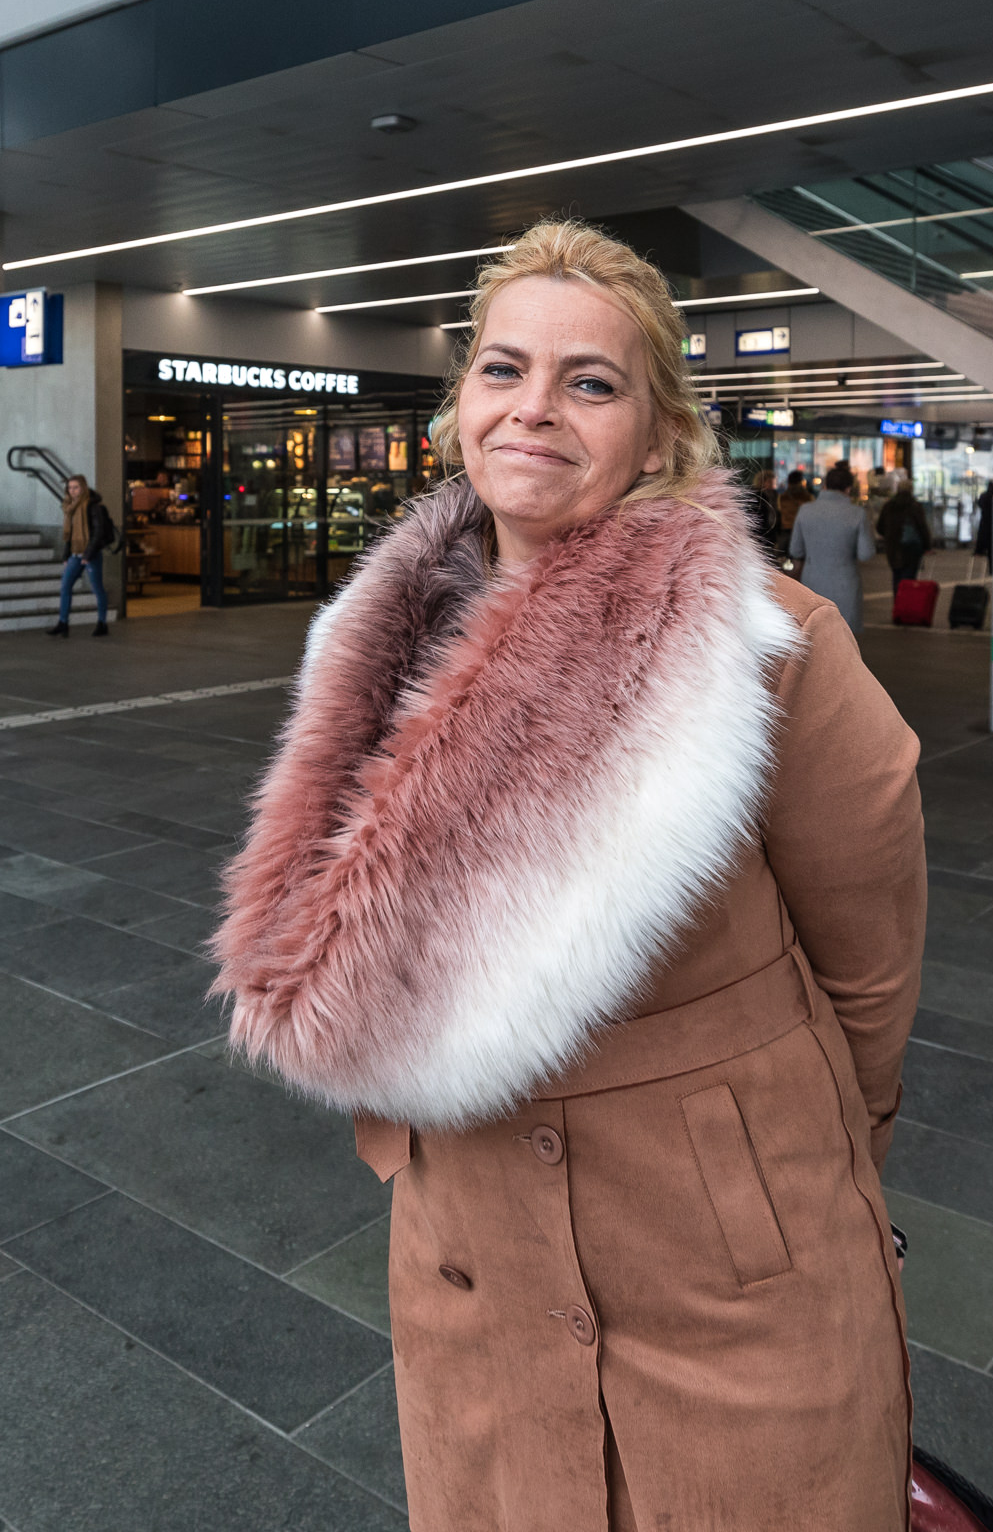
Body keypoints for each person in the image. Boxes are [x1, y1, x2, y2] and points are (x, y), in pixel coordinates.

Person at [214, 220, 928, 1531]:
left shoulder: (764, 647)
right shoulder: (377, 648)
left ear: (657, 438)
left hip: (728, 1268)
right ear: (461, 408)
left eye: (589, 381)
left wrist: (797, 1161)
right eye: (504, 369)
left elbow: (870, 961)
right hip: (472, 1257)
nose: (534, 405)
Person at [790, 464, 878, 632]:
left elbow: (796, 550)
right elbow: (866, 553)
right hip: (846, 584)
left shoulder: (805, 510)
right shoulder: (857, 513)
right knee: (844, 636)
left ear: (825, 485)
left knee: (815, 635)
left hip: (812, 582)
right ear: (848, 488)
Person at [48, 473, 117, 637]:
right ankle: (63, 623)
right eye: (70, 488)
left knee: (97, 589)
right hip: (75, 554)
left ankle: (102, 623)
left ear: (83, 488)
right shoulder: (70, 507)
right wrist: (66, 555)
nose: (72, 491)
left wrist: (88, 554)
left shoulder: (92, 506)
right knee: (65, 586)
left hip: (90, 554)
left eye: (76, 487)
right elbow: (69, 534)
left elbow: (98, 531)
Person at [877, 481, 932, 586]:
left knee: (896, 575)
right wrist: (927, 545)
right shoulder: (915, 506)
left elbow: (879, 527)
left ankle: (898, 595)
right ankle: (906, 595)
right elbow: (922, 527)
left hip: (893, 547)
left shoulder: (888, 506)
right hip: (912, 548)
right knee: (909, 577)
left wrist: (889, 536)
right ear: (911, 490)